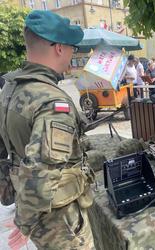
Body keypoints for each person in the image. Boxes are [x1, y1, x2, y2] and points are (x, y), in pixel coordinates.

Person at [0, 10, 95, 249]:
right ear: (59, 48)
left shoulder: (12, 89)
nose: (74, 53)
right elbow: (42, 169)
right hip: (59, 219)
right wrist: (24, 223)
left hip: (34, 206)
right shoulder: (53, 103)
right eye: (73, 47)